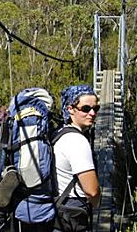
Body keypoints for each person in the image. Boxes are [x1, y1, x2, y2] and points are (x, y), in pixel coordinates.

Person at [52, 84, 101, 231]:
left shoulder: (58, 132)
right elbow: (92, 191)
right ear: (70, 109)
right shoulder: (77, 141)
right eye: (85, 109)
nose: (92, 113)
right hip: (72, 214)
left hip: (56, 208)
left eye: (96, 108)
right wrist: (96, 202)